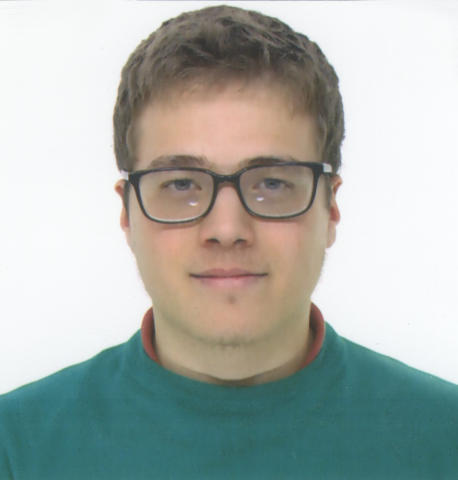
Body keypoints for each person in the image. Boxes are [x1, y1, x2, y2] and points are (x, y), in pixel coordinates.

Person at [1, 4, 457, 479]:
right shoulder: (16, 448)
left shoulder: (446, 441)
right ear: (127, 214)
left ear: (331, 209)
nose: (226, 228)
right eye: (181, 184)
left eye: (272, 183)